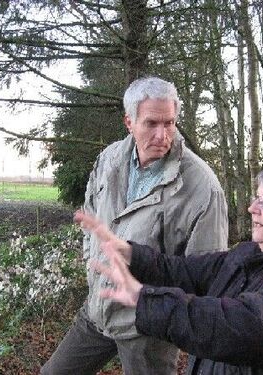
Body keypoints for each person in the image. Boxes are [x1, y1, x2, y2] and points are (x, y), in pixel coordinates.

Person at [41, 77, 229, 375]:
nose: (162, 135)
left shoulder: (202, 187)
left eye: (169, 123)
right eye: (151, 123)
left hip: (148, 328)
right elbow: (91, 211)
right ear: (129, 122)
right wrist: (94, 263)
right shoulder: (110, 159)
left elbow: (209, 273)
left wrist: (159, 312)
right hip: (98, 308)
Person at [75, 164, 263, 375]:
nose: (252, 209)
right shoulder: (249, 255)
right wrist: (129, 252)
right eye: (256, 197)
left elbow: (232, 325)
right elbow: (182, 271)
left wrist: (144, 298)